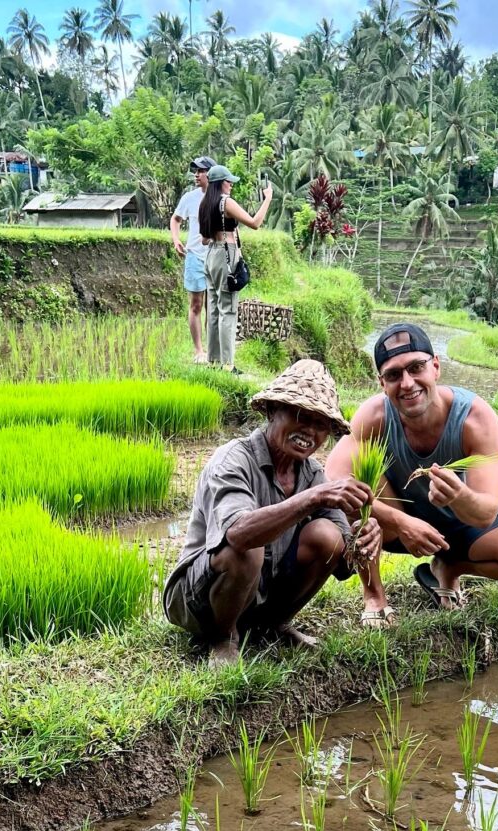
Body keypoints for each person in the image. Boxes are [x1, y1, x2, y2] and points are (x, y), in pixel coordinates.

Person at [326, 323, 498, 627]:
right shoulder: (374, 417)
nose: (407, 383)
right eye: (394, 375)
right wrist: (401, 521)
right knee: (355, 494)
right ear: (382, 383)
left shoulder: (475, 418)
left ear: (436, 367)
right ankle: (375, 596)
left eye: (416, 367)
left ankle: (448, 567)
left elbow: (486, 511)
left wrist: (460, 497)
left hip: (461, 524)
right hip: (396, 523)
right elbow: (334, 482)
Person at [163, 359, 381, 664]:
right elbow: (238, 535)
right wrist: (311, 498)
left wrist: (362, 540)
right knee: (249, 545)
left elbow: (340, 564)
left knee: (328, 535)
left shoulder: (312, 474)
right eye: (299, 415)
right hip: (199, 599)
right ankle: (223, 639)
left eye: (321, 424)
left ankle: (275, 624)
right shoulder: (233, 460)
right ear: (272, 411)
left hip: (258, 594)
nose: (309, 431)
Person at [199, 164, 273, 371]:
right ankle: (228, 365)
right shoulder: (226, 203)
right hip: (226, 255)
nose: (231, 184)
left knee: (213, 310)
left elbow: (204, 239)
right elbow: (255, 223)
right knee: (228, 311)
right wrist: (267, 198)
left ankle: (213, 362)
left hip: (211, 256)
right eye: (228, 181)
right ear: (221, 184)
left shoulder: (205, 203)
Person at [170, 156, 216, 363]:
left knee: (213, 306)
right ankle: (199, 351)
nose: (196, 175)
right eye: (195, 171)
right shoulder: (189, 198)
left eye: (201, 171)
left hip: (216, 257)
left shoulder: (221, 198)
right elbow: (176, 219)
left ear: (211, 174)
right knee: (196, 304)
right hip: (195, 257)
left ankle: (214, 349)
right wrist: (176, 239)